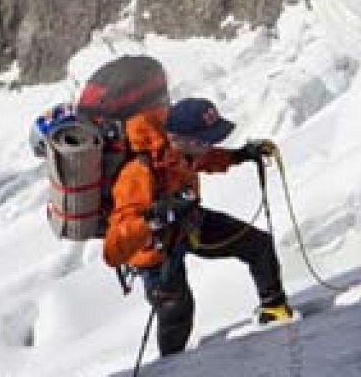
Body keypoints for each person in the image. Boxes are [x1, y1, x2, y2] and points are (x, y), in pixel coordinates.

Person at [103, 97, 291, 356]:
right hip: (155, 252)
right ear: (179, 138)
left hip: (189, 223)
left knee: (257, 244)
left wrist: (240, 155)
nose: (210, 145)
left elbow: (205, 158)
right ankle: (171, 368)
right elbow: (113, 249)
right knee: (177, 312)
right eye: (205, 140)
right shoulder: (137, 175)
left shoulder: (183, 152)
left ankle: (275, 311)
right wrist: (154, 218)